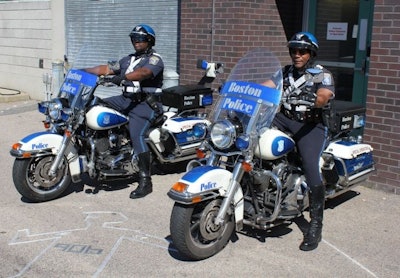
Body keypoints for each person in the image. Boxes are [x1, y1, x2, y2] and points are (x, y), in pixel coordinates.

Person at [263, 32, 335, 251]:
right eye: (294, 51)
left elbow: (324, 96)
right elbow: (265, 86)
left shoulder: (320, 74)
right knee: (256, 145)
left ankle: (315, 224)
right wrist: (243, 91)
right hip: (283, 119)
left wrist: (314, 99)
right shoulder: (284, 72)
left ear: (311, 53)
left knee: (311, 167)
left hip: (310, 126)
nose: (297, 55)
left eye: (302, 51)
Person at [84, 24, 164, 199]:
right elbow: (106, 69)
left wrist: (122, 77)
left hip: (145, 104)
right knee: (94, 106)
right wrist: (82, 72)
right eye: (134, 38)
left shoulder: (154, 60)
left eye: (141, 38)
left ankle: (145, 180)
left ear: (149, 40)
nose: (136, 41)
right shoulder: (127, 59)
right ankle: (103, 148)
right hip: (125, 100)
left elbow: (144, 73)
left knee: (137, 135)